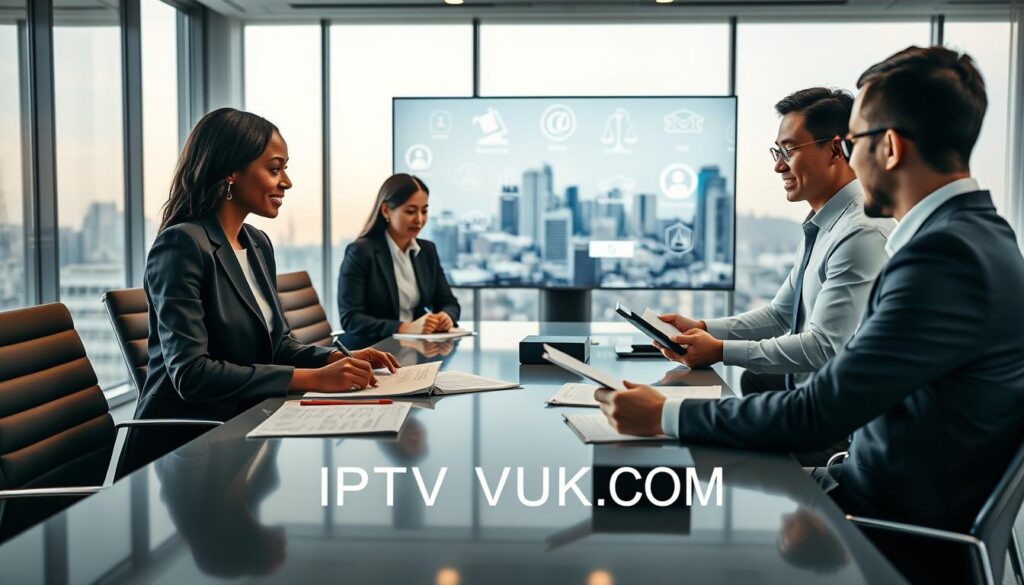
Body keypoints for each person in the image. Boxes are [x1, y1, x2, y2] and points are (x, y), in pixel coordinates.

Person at [596, 46, 1024, 583]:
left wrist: (664, 415)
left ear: (887, 147)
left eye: (855, 141)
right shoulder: (982, 236)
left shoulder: (942, 259)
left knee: (658, 522)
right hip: (877, 489)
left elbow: (820, 409)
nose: (850, 158)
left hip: (886, 526)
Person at [138, 107, 398, 425]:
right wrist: (314, 379)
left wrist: (336, 357)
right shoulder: (182, 245)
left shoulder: (257, 242)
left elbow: (276, 345)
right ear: (231, 171)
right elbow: (192, 375)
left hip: (253, 419)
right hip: (190, 438)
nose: (286, 182)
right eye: (275, 169)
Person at [657, 87, 893, 398]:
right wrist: (701, 327)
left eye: (789, 151)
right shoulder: (823, 224)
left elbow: (824, 347)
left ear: (836, 150)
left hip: (830, 413)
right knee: (743, 388)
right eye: (777, 152)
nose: (779, 166)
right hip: (804, 392)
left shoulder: (860, 233)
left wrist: (721, 350)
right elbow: (779, 315)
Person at [337, 174, 461, 349]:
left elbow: (448, 301)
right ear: (386, 210)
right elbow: (351, 319)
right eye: (410, 211)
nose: (419, 219)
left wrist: (447, 316)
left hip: (418, 350)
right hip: (374, 352)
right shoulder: (361, 252)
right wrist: (405, 327)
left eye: (424, 210)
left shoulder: (427, 251)